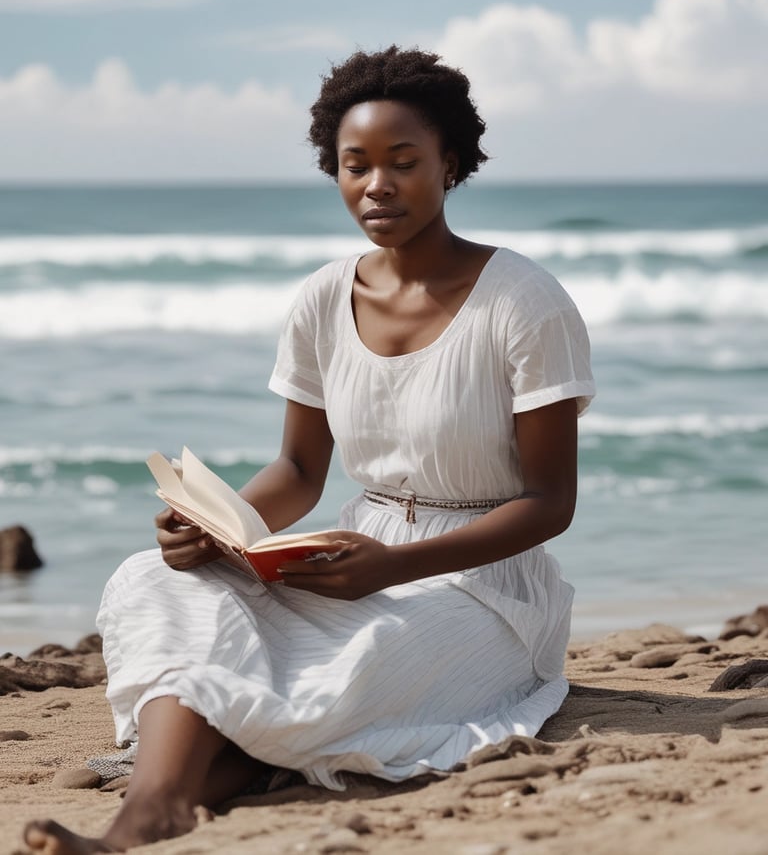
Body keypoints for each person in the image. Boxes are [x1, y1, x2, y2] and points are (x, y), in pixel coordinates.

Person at [24, 45, 594, 854]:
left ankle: (148, 812)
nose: (377, 186)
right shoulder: (325, 298)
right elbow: (298, 472)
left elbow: (550, 503)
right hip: (347, 554)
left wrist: (394, 568)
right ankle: (157, 809)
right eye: (355, 165)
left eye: (404, 162)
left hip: (484, 590)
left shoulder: (524, 302)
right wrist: (220, 526)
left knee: (356, 662)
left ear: (452, 165)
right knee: (153, 580)